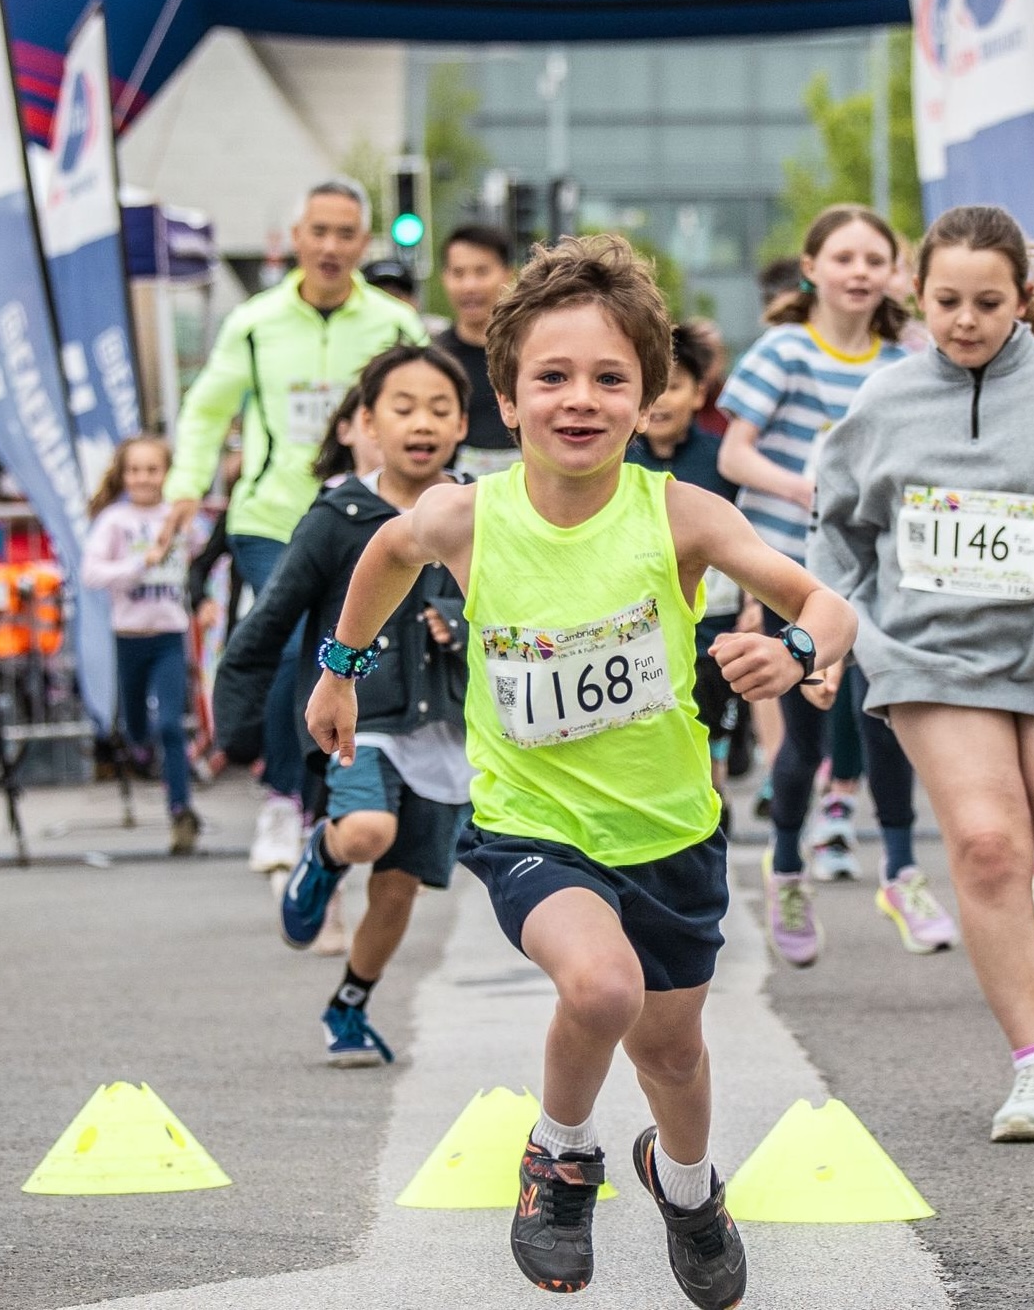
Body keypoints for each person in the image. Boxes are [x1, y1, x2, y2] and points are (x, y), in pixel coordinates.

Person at [310, 235, 851, 1307]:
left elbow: (828, 608)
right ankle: (561, 1158)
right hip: (531, 826)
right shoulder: (470, 515)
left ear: (648, 396)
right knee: (600, 987)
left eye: (611, 378)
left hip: (672, 834)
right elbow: (384, 552)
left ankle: (686, 1186)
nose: (580, 399)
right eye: (550, 377)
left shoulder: (680, 514)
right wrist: (341, 670)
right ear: (505, 400)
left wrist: (792, 655)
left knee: (674, 1056)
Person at [814, 204, 1034, 1142]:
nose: (965, 320)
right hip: (932, 659)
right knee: (984, 845)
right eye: (946, 301)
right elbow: (839, 528)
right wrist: (828, 629)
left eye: (987, 302)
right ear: (916, 294)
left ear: (1023, 298)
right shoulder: (883, 403)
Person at [164, 179, 426, 865]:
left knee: (345, 652)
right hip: (273, 516)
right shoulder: (255, 322)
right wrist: (185, 489)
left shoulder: (394, 327)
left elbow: (431, 398)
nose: (332, 247)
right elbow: (205, 410)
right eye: (320, 232)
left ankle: (329, 794)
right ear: (297, 240)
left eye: (346, 235)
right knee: (288, 649)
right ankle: (281, 801)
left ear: (362, 245)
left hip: (361, 519)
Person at [231, 344, 474, 1065]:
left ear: (462, 424)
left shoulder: (482, 510)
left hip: (449, 725)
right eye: (403, 408)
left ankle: (350, 1004)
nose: (421, 423)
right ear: (367, 421)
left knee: (398, 892)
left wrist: (457, 627)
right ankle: (325, 849)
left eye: (439, 409)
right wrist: (242, 720)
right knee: (366, 831)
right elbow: (273, 615)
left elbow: (517, 609)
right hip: (360, 716)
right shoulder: (340, 514)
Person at [716, 203, 923, 964]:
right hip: (785, 572)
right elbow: (735, 456)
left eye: (875, 259)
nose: (860, 272)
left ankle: (901, 869)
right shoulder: (783, 352)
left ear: (894, 274)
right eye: (844, 258)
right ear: (811, 270)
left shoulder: (903, 366)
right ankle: (790, 869)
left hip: (871, 574)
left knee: (885, 716)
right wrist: (809, 489)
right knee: (800, 741)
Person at [631, 324, 773, 831]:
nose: (663, 400)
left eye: (675, 385)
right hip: (641, 621)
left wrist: (756, 600)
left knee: (711, 703)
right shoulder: (617, 462)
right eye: (653, 386)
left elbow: (753, 535)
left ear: (699, 393)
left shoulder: (720, 459)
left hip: (716, 619)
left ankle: (712, 790)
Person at [82, 436, 206, 855]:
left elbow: (205, 562)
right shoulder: (115, 520)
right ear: (123, 474)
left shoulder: (179, 517)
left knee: (170, 725)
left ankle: (181, 811)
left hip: (169, 636)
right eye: (135, 470)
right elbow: (92, 572)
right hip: (130, 638)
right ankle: (140, 751)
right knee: (137, 727)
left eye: (152, 470)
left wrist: (204, 597)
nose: (143, 478)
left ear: (166, 474)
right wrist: (139, 565)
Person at [439, 223, 523, 475]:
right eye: (458, 273)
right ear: (444, 278)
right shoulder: (436, 359)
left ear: (508, 274)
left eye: (482, 272)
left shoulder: (533, 351)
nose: (469, 286)